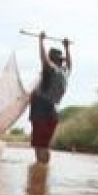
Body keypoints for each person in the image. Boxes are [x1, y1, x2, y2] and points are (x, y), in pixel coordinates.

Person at [29, 32, 72, 164]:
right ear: (60, 61)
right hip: (52, 113)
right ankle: (43, 174)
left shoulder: (51, 69)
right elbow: (70, 64)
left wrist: (41, 41)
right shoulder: (64, 73)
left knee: (39, 147)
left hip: (40, 111)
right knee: (44, 146)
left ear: (52, 60)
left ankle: (40, 176)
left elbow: (43, 59)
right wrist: (67, 48)